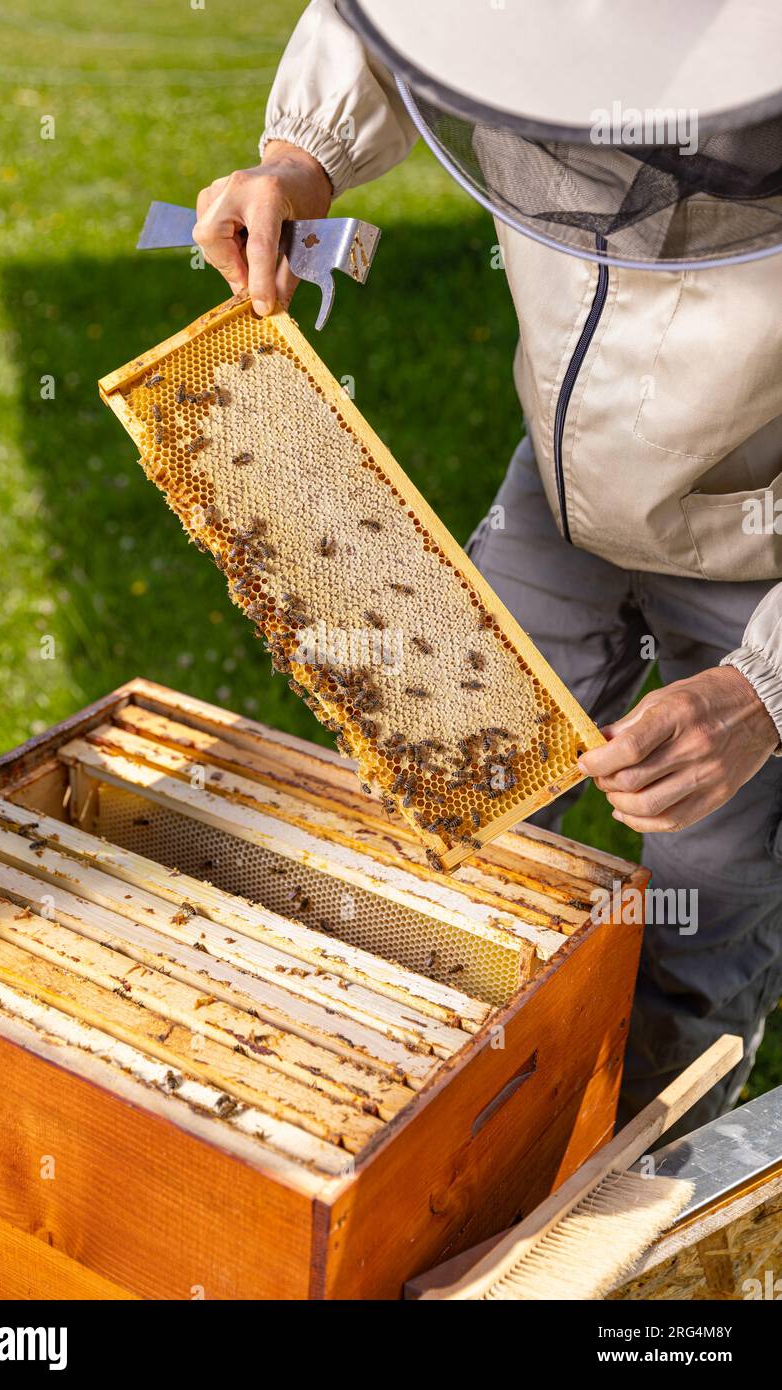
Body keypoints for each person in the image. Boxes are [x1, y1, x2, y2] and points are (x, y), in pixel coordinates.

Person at [192, 0, 782, 1132]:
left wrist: (761, 689)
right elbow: (400, 18)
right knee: (437, 806)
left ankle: (636, 1190)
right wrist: (301, 159)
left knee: (702, 913)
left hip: (757, 554)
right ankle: (444, 1132)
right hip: (555, 499)